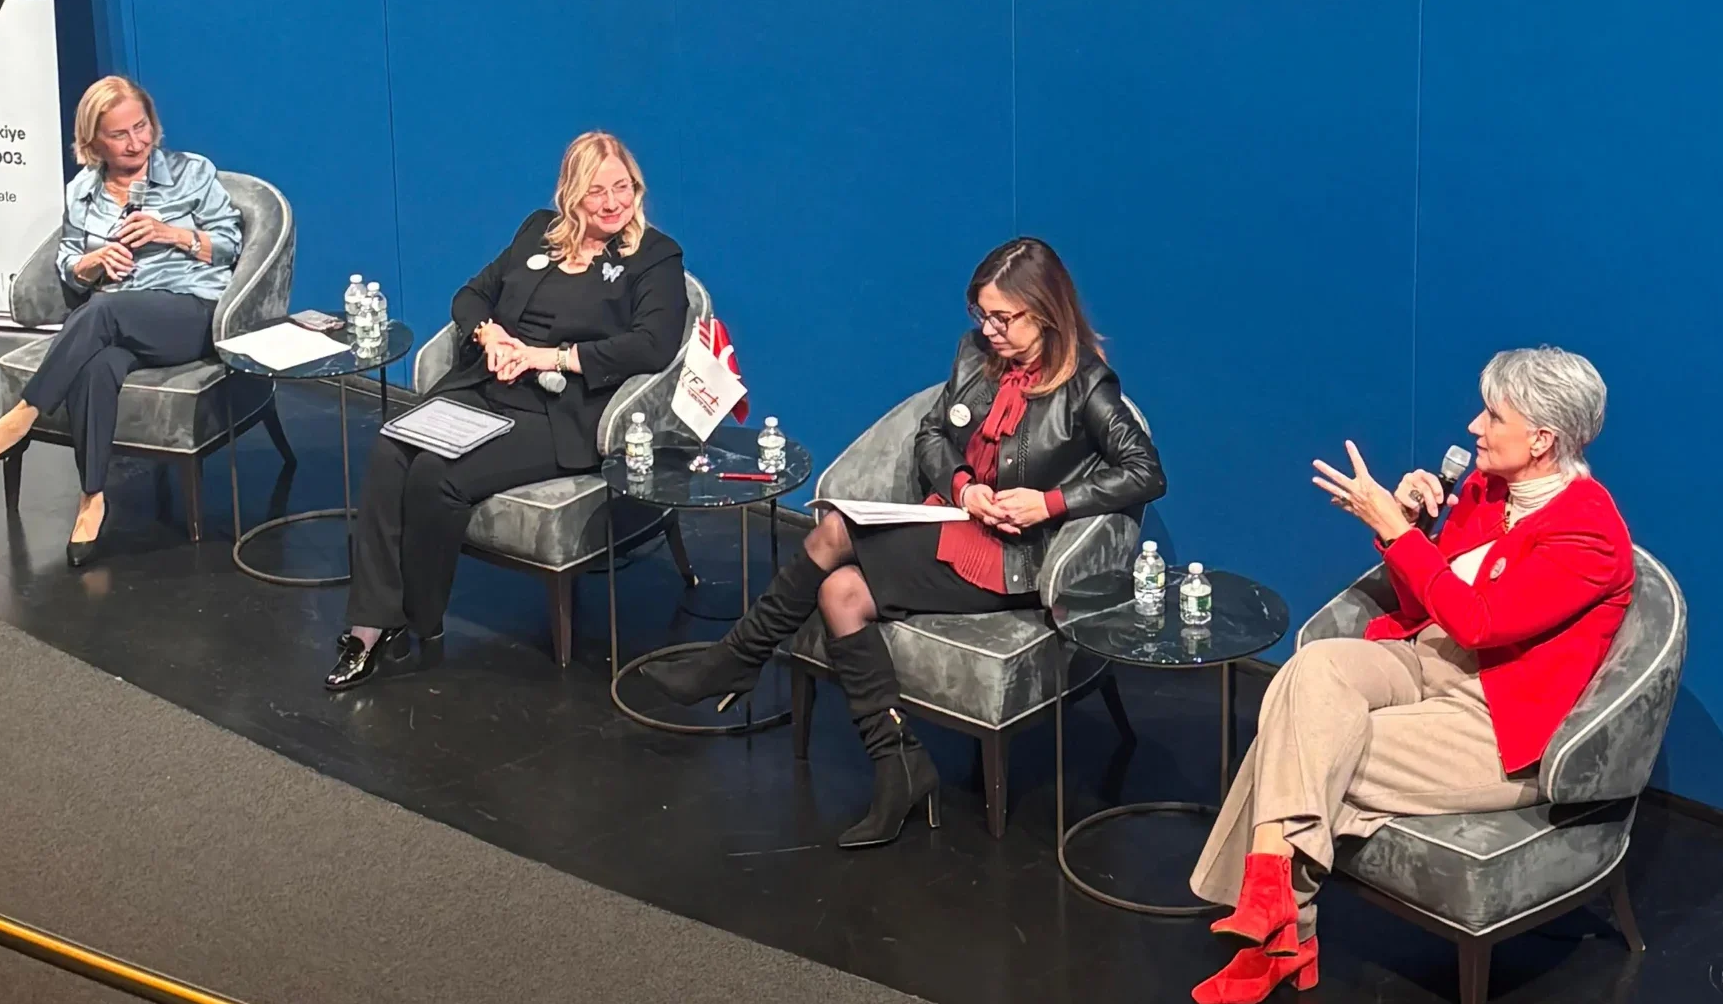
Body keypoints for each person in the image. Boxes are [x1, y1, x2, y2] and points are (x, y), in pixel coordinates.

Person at [646, 237, 1166, 847]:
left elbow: (1145, 472)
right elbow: (931, 434)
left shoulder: (1087, 385)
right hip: (953, 519)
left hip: (1011, 558)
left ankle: (736, 658)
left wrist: (1048, 503)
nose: (989, 330)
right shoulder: (976, 355)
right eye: (982, 315)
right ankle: (899, 766)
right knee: (840, 592)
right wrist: (965, 484)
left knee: (833, 533)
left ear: (1046, 310)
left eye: (1003, 318)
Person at [1185, 347, 1634, 1004]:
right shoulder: (1485, 490)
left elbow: (1480, 622)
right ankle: (1275, 906)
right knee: (1312, 669)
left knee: (1308, 744)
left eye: (1493, 415)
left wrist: (1400, 533)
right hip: (1427, 658)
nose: (1475, 426)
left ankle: (1279, 931)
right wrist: (1419, 528)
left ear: (1541, 439)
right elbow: (1426, 604)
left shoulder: (1589, 534)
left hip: (1491, 719)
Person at [326, 131, 686, 692]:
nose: (613, 203)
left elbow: (653, 345)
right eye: (597, 192)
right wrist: (489, 335)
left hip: (559, 410)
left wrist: (550, 356)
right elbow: (470, 296)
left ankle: (419, 621)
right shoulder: (537, 232)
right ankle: (369, 625)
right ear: (571, 194)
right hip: (488, 384)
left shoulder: (654, 256)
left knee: (436, 474)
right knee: (392, 446)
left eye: (623, 188)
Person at [0, 77, 243, 568]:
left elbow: (230, 243)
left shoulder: (192, 172)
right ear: (94, 141)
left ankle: (20, 419)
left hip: (190, 310)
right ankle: (92, 499)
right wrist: (93, 262)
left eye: (141, 127)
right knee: (97, 366)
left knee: (99, 311)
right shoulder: (83, 191)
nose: (136, 143)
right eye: (119, 135)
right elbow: (68, 265)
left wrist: (171, 234)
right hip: (120, 318)